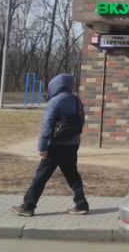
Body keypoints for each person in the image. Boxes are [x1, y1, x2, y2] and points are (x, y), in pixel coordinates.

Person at [11, 74, 89, 217]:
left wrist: (42, 147)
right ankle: (81, 204)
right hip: (72, 144)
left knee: (41, 176)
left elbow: (47, 126)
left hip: (56, 145)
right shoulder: (76, 100)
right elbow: (81, 121)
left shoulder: (55, 101)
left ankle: (28, 206)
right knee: (72, 175)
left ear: (55, 85)